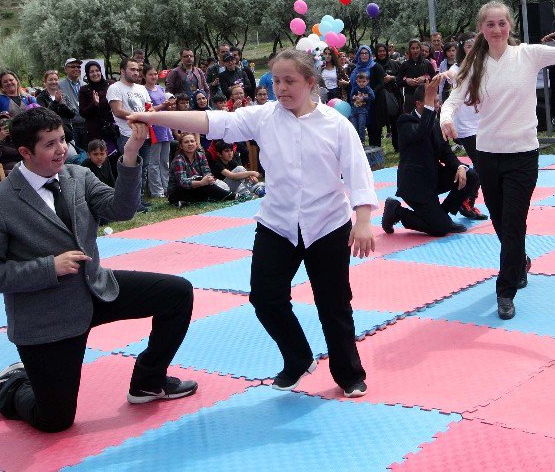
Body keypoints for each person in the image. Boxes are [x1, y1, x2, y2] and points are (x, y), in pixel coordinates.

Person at [129, 48, 377, 398]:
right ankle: (298, 357)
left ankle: (349, 373)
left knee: (334, 304)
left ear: (310, 82)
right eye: (276, 81)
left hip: (327, 224)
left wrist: (363, 220)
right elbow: (212, 122)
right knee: (264, 297)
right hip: (278, 222)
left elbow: (357, 174)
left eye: (290, 81)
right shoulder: (263, 117)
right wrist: (156, 118)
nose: (281, 88)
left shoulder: (336, 124)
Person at [0, 108, 196, 432]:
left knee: (177, 293)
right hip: (47, 316)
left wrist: (130, 155)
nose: (61, 149)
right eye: (50, 144)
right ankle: (10, 386)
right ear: (25, 152)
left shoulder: (78, 176)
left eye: (62, 139)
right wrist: (49, 268)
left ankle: (148, 382)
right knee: (55, 420)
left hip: (97, 288)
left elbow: (122, 209)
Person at [441, 0, 555, 320]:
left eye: (502, 23)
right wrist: (447, 118)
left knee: (513, 222)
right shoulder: (475, 65)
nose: (497, 29)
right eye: (490, 24)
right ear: (482, 29)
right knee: (501, 223)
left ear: (510, 25)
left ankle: (505, 289)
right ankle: (519, 262)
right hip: (487, 155)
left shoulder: (528, 54)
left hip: (522, 156)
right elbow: (453, 98)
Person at [383, 80, 481, 237]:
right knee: (440, 229)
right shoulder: (405, 121)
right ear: (419, 104)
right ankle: (397, 211)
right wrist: (430, 107)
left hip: (432, 179)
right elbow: (421, 131)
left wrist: (460, 167)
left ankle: (441, 215)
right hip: (415, 187)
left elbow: (446, 152)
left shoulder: (435, 123)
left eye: (437, 101)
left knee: (471, 175)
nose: (437, 104)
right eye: (432, 101)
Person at [446, 36, 487, 221]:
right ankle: (466, 200)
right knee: (481, 164)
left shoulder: (483, 65)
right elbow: (451, 76)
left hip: (484, 122)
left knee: (487, 164)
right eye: (468, 46)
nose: (472, 49)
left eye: (475, 46)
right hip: (466, 126)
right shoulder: (457, 69)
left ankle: (469, 199)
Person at [106, 58, 152, 178]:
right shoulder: (115, 88)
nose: (136, 73)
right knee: (130, 168)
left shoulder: (142, 88)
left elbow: (149, 107)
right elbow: (117, 111)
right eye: (132, 69)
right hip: (127, 134)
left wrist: (150, 114)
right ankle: (130, 196)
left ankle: (140, 196)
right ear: (122, 71)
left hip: (145, 133)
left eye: (137, 70)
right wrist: (140, 117)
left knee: (144, 167)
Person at [166, 133, 233, 207]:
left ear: (196, 143)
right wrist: (201, 182)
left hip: (196, 187)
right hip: (178, 192)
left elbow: (207, 173)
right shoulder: (178, 160)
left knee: (207, 185)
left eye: (192, 141)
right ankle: (229, 196)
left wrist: (208, 179)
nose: (190, 144)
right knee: (204, 185)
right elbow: (183, 182)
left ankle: (224, 195)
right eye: (186, 142)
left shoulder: (201, 156)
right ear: (181, 146)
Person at [143, 65, 174, 199]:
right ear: (144, 76)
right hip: (154, 128)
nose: (154, 76)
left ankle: (166, 187)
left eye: (155, 74)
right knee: (154, 162)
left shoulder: (161, 89)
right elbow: (148, 109)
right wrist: (163, 105)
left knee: (164, 161)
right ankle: (156, 191)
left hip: (165, 127)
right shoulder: (143, 90)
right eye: (150, 74)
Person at [349, 45, 387, 147]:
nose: (364, 55)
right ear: (358, 55)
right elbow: (352, 84)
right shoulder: (355, 68)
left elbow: (381, 84)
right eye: (362, 53)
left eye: (366, 53)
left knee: (374, 130)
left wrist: (368, 94)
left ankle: (375, 156)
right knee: (359, 129)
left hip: (373, 104)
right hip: (358, 103)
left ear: (370, 54)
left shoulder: (376, 67)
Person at [78, 61, 116, 152]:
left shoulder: (110, 85)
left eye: (97, 70)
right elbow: (82, 112)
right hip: (95, 132)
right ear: (87, 74)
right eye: (91, 72)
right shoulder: (84, 90)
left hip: (112, 130)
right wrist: (94, 104)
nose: (95, 74)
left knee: (115, 158)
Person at [35, 70, 77, 143]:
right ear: (45, 82)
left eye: (55, 79)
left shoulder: (64, 95)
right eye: (50, 80)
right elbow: (44, 116)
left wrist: (62, 105)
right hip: (51, 134)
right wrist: (56, 102)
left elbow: (72, 114)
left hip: (67, 133)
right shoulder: (40, 97)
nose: (53, 82)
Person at [374, 44, 402, 149]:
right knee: (378, 123)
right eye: (379, 51)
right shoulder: (373, 65)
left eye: (383, 51)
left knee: (395, 122)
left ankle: (397, 146)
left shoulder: (394, 64)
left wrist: (392, 78)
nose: (382, 53)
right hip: (378, 98)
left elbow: (401, 78)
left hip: (394, 96)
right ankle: (377, 147)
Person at [398, 38, 435, 114]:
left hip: (424, 96)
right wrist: (407, 81)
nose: (415, 51)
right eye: (413, 48)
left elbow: (434, 79)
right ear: (409, 50)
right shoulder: (405, 65)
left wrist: (424, 79)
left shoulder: (427, 63)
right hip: (410, 96)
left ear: (420, 49)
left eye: (417, 48)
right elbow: (398, 82)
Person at [60, 58, 87, 148]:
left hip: (85, 124)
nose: (76, 68)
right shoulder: (60, 86)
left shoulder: (85, 85)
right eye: (72, 66)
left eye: (78, 66)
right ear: (65, 69)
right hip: (71, 126)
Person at [348, 71, 375, 143]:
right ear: (357, 81)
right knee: (354, 126)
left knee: (361, 126)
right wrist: (354, 97)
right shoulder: (355, 88)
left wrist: (363, 98)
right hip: (354, 110)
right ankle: (355, 141)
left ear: (367, 81)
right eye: (359, 81)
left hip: (363, 110)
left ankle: (362, 141)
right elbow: (351, 97)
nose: (362, 83)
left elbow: (372, 97)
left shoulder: (368, 89)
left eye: (364, 81)